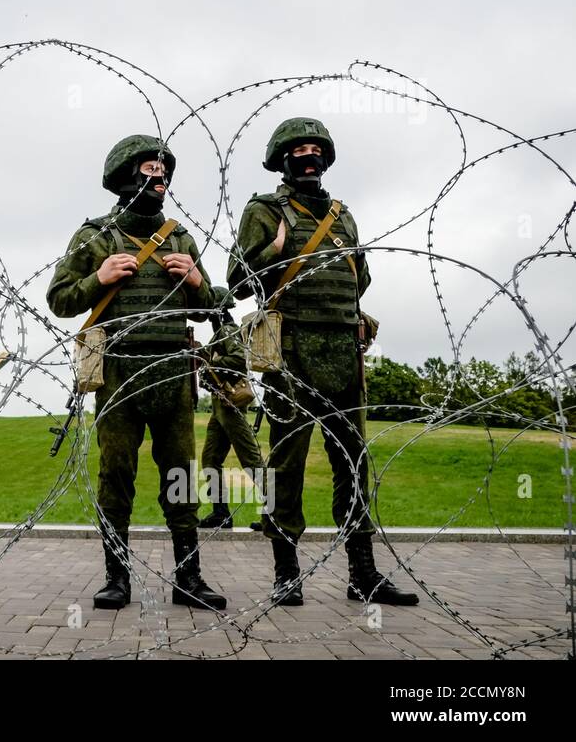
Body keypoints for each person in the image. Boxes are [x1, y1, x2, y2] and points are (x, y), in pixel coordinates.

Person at [228, 117, 418, 607]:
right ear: (282, 158)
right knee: (287, 466)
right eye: (299, 149)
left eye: (316, 148)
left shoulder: (342, 214)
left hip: (343, 354)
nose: (308, 155)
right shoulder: (264, 209)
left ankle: (363, 573)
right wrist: (267, 253)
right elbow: (236, 279)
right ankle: (287, 571)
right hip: (290, 355)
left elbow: (361, 277)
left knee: (353, 464)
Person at [48, 134, 226, 611]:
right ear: (127, 176)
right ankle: (117, 579)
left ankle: (189, 578)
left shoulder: (181, 237)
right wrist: (98, 278)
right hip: (120, 373)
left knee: (181, 478)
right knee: (116, 475)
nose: (160, 177)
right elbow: (60, 300)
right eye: (150, 168)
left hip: (171, 372)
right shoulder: (96, 236)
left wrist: (195, 282)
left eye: (164, 170)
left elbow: (209, 309)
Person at [196, 287, 265, 529]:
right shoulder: (221, 332)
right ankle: (220, 513)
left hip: (231, 406)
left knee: (252, 460)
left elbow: (239, 360)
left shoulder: (227, 330)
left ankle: (276, 515)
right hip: (221, 407)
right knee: (210, 458)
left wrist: (209, 364)